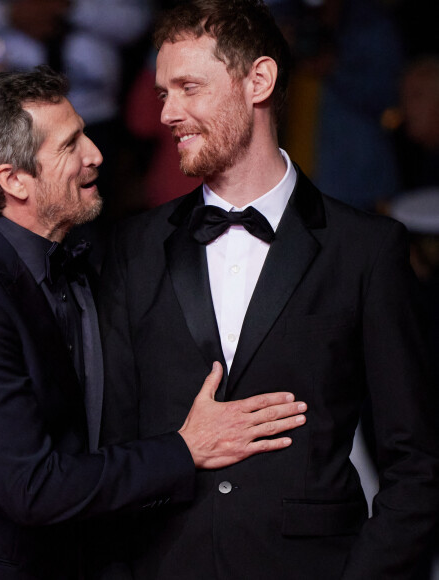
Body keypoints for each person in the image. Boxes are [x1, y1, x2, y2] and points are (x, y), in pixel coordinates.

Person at [0, 65, 308, 580]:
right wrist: (185, 449)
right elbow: (33, 488)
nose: (95, 154)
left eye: (85, 132)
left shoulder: (81, 268)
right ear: (13, 181)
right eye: (69, 144)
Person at [97, 1, 439, 578]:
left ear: (258, 80)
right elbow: (109, 451)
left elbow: (418, 463)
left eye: (188, 88)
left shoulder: (365, 250)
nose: (168, 114)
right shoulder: (132, 250)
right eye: (162, 94)